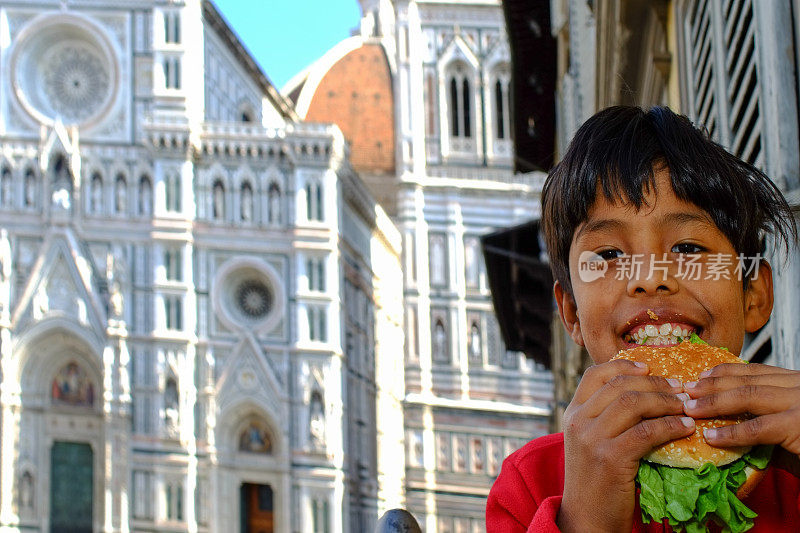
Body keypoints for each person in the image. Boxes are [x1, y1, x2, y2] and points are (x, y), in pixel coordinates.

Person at [485, 106, 800, 531]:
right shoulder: (531, 482)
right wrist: (584, 520)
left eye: (688, 248)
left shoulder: (793, 463)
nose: (650, 279)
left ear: (754, 295)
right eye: (609, 255)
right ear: (573, 313)